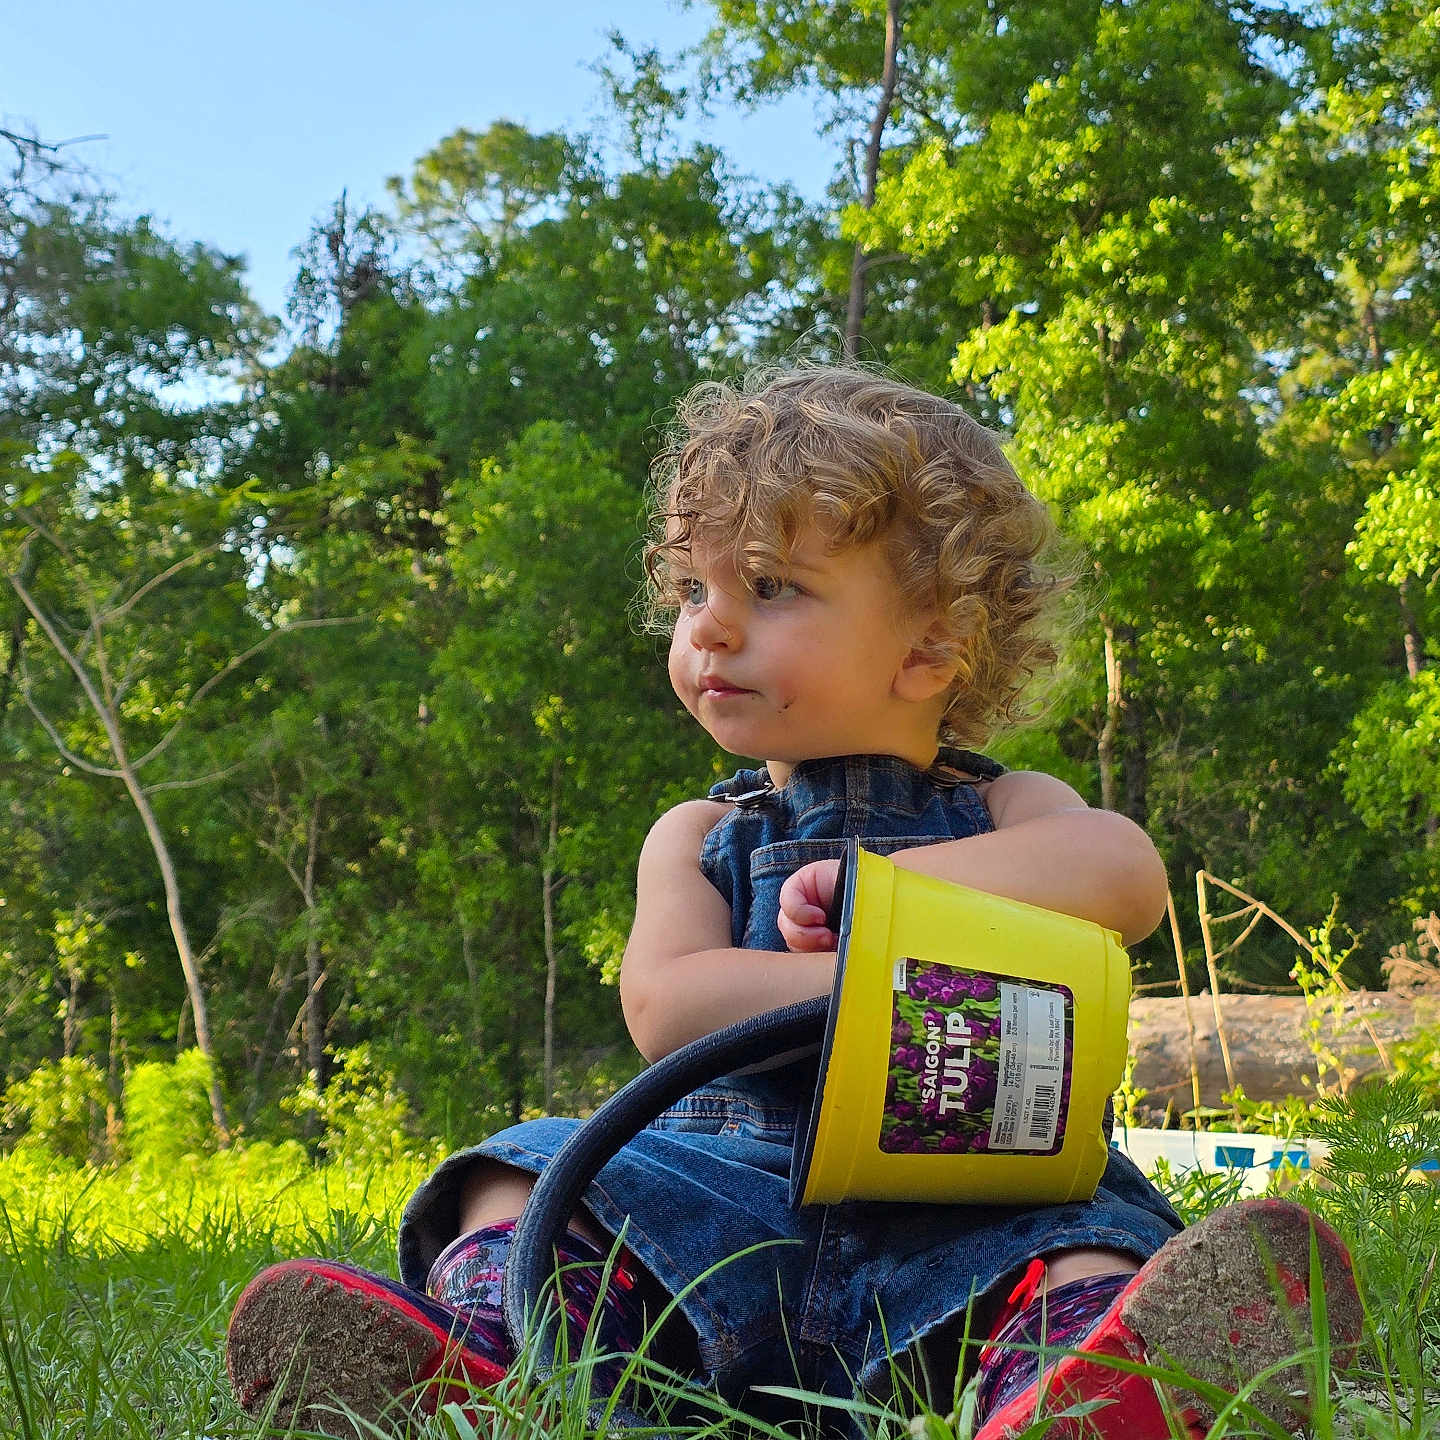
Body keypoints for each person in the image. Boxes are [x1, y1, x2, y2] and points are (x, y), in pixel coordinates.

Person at [226, 367, 1361, 1438]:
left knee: (1089, 1242)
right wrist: (865, 983)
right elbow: (668, 1007)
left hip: (973, 1213)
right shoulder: (703, 834)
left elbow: (1123, 878)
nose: (708, 626)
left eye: (771, 588)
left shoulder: (1015, 808)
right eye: (692, 590)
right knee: (516, 1170)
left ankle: (1075, 1381)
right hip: (724, 1215)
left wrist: (889, 894)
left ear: (934, 646)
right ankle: (501, 1362)